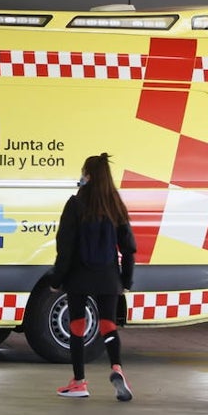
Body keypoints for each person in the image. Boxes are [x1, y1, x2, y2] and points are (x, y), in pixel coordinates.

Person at [48, 152, 137, 401]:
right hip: (108, 276)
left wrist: (57, 279)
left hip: (79, 276)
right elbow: (129, 247)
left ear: (88, 175)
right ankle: (117, 368)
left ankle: (79, 383)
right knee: (107, 324)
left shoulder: (75, 204)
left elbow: (64, 247)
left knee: (77, 326)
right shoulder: (115, 206)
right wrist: (126, 281)